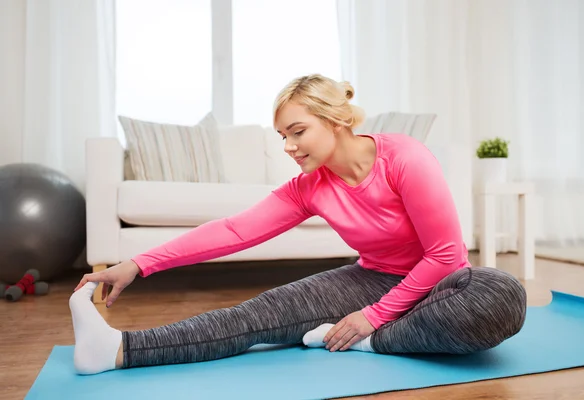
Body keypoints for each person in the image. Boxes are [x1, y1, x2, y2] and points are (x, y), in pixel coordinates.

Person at [69, 74, 527, 375]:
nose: (288, 146)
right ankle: (116, 350)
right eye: (282, 136)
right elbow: (233, 231)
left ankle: (370, 342)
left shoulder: (404, 157)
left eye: (297, 131)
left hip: (444, 287)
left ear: (335, 121)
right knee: (255, 316)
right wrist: (138, 264)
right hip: (372, 278)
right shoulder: (309, 187)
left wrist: (372, 318)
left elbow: (446, 255)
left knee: (500, 296)